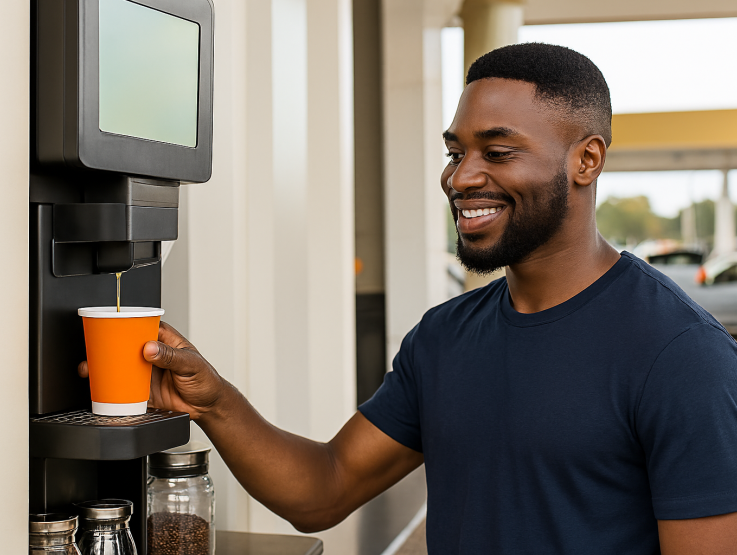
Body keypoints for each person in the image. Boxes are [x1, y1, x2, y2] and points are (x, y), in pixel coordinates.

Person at [81, 43, 737, 553]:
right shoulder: (444, 337)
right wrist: (215, 401)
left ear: (585, 160)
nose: (461, 176)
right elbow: (324, 488)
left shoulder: (679, 356)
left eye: (497, 151)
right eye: (455, 152)